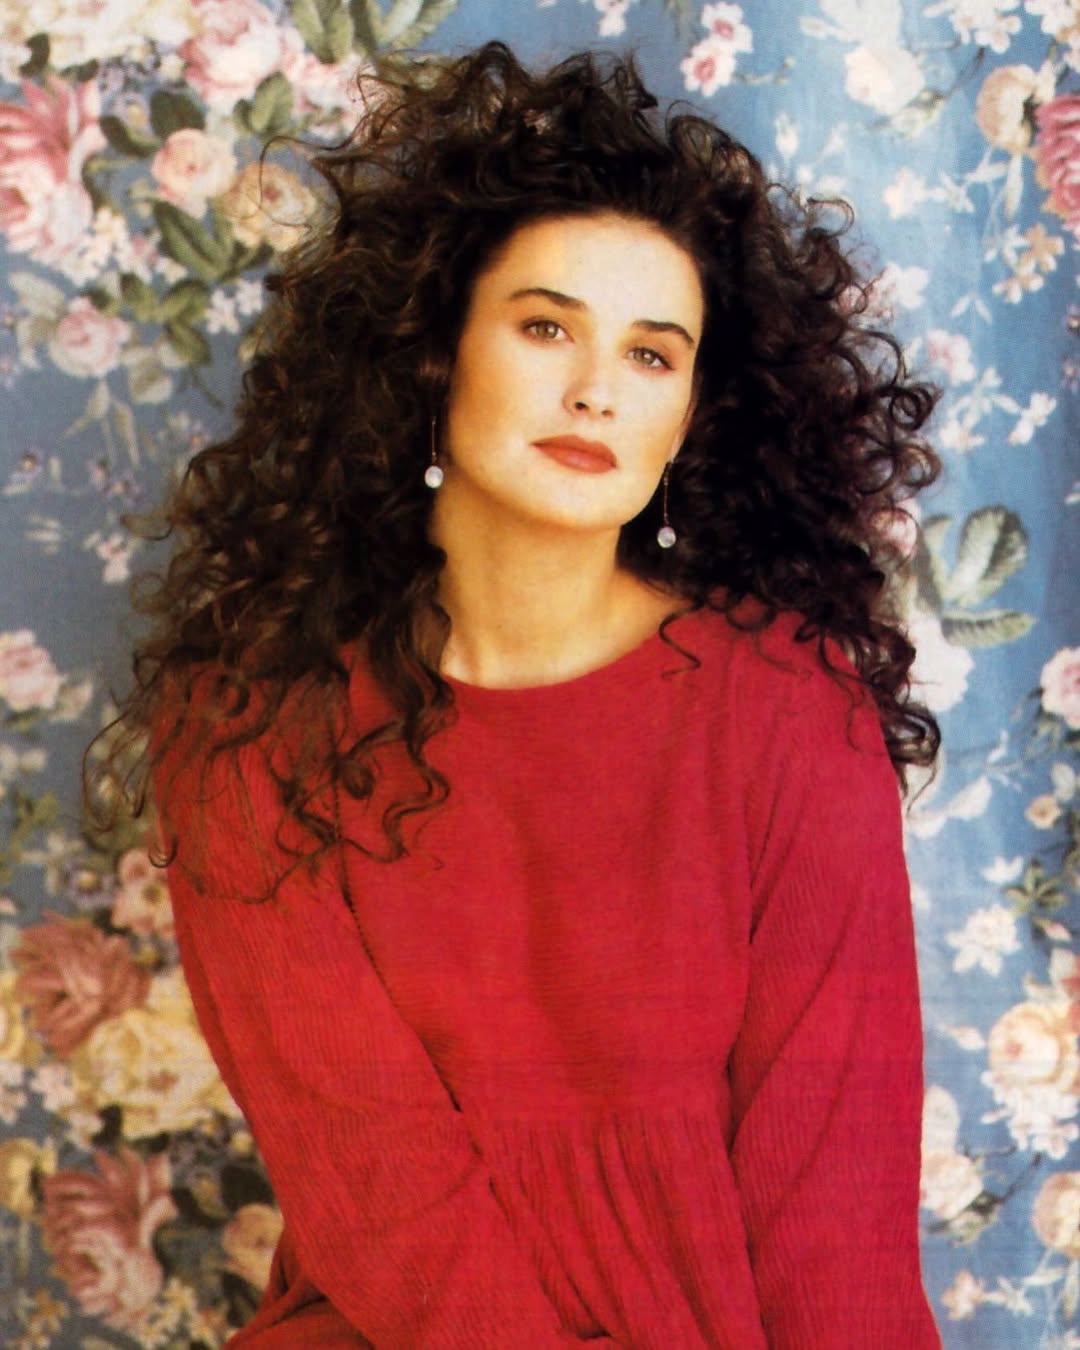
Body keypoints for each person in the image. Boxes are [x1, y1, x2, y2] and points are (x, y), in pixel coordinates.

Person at [109, 40, 945, 1348]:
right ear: (434, 356)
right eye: (546, 326)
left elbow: (835, 1225)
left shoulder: (790, 709)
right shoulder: (252, 727)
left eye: (653, 354)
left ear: (691, 419)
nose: (596, 390)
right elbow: (381, 1193)